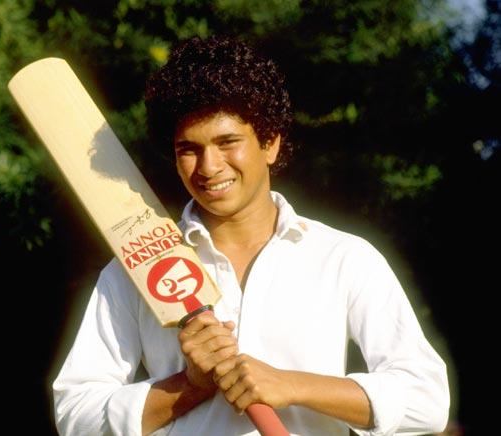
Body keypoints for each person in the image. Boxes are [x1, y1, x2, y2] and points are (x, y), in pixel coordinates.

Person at [53, 35, 449, 436]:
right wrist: (188, 387)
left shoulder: (344, 257)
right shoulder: (131, 269)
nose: (208, 167)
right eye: (188, 148)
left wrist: (294, 385)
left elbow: (427, 399)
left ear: (270, 143)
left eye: (227, 142)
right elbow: (75, 415)